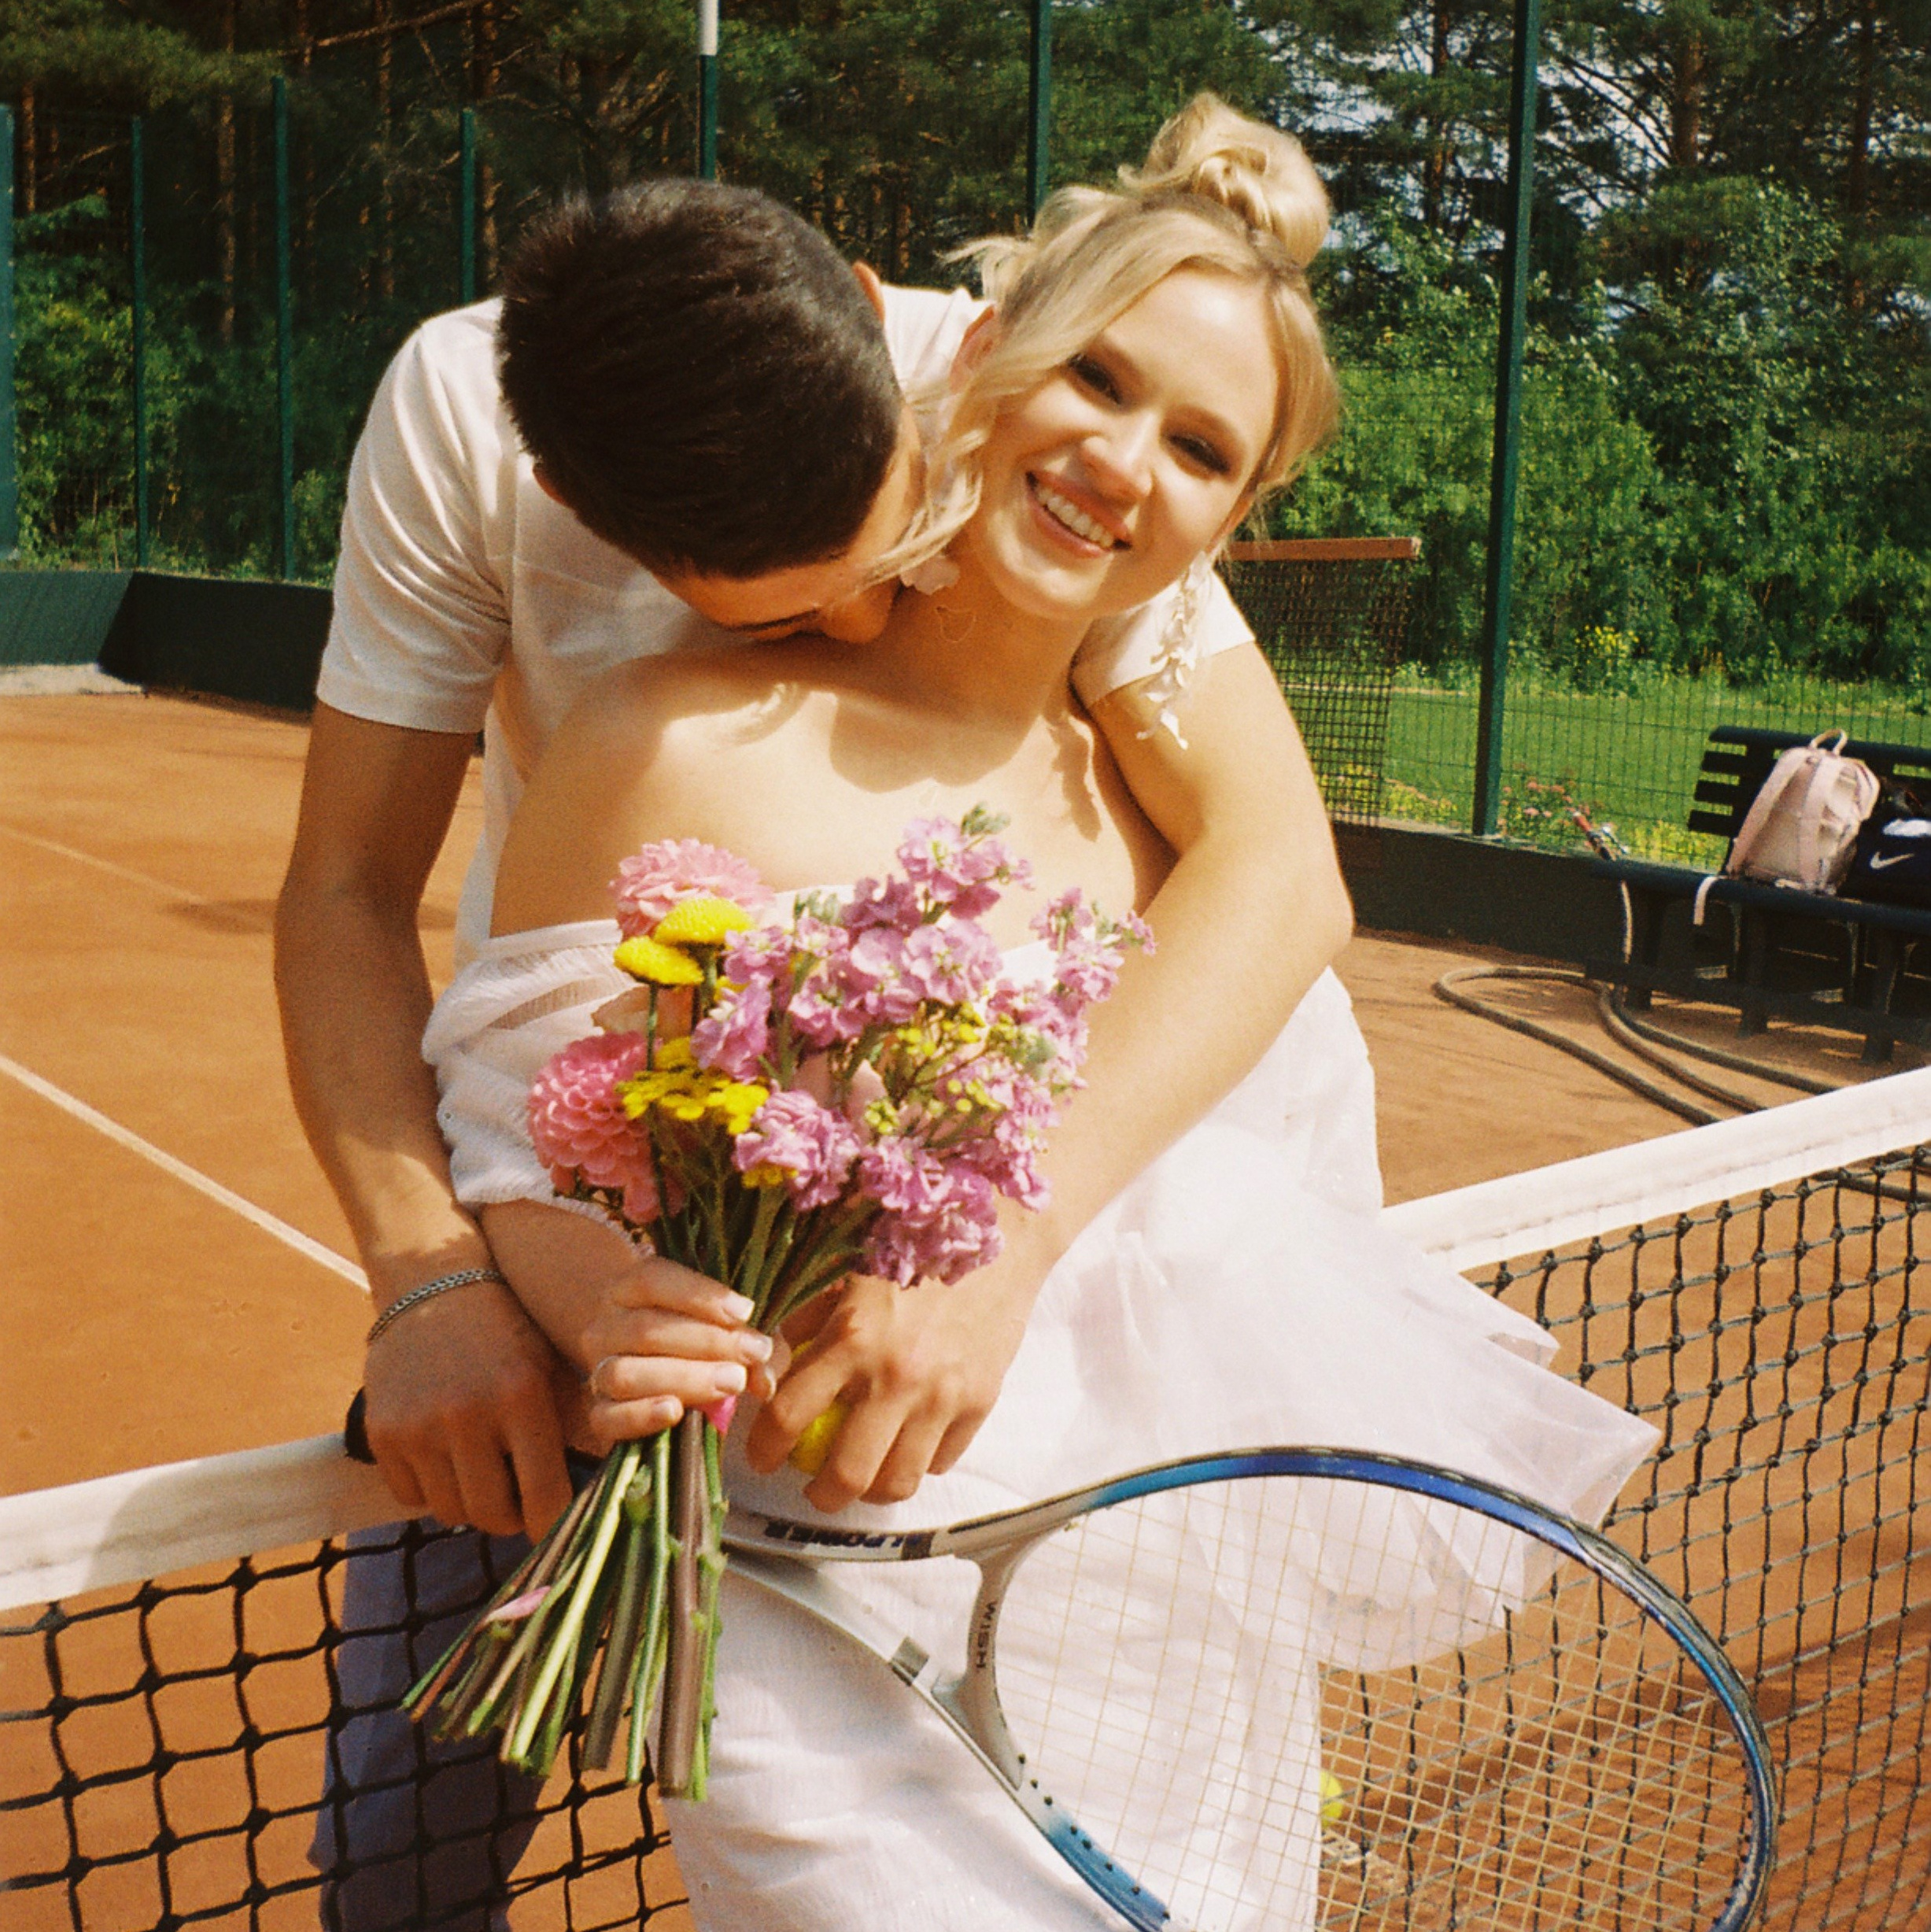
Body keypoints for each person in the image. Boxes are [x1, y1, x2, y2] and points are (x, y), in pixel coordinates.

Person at [420, 96, 1659, 1931]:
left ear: (1231, 519)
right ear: (981, 353)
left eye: (1202, 446)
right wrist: (610, 1305)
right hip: (806, 1612)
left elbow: (1270, 1220)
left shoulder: (1175, 842)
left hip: (1162, 1626)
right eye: (1099, 375)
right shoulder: (656, 733)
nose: (1123, 457)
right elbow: (517, 1133)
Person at [291, 150, 1349, 1930]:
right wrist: (441, 1274)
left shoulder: (1047, 394)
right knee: (409, 1833)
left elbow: (1277, 865)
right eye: (783, 606)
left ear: (904, 336)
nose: (862, 622)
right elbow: (343, 890)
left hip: (938, 1395)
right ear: (573, 501)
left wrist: (999, 1245)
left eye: (879, 560)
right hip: (566, 1153)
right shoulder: (469, 439)